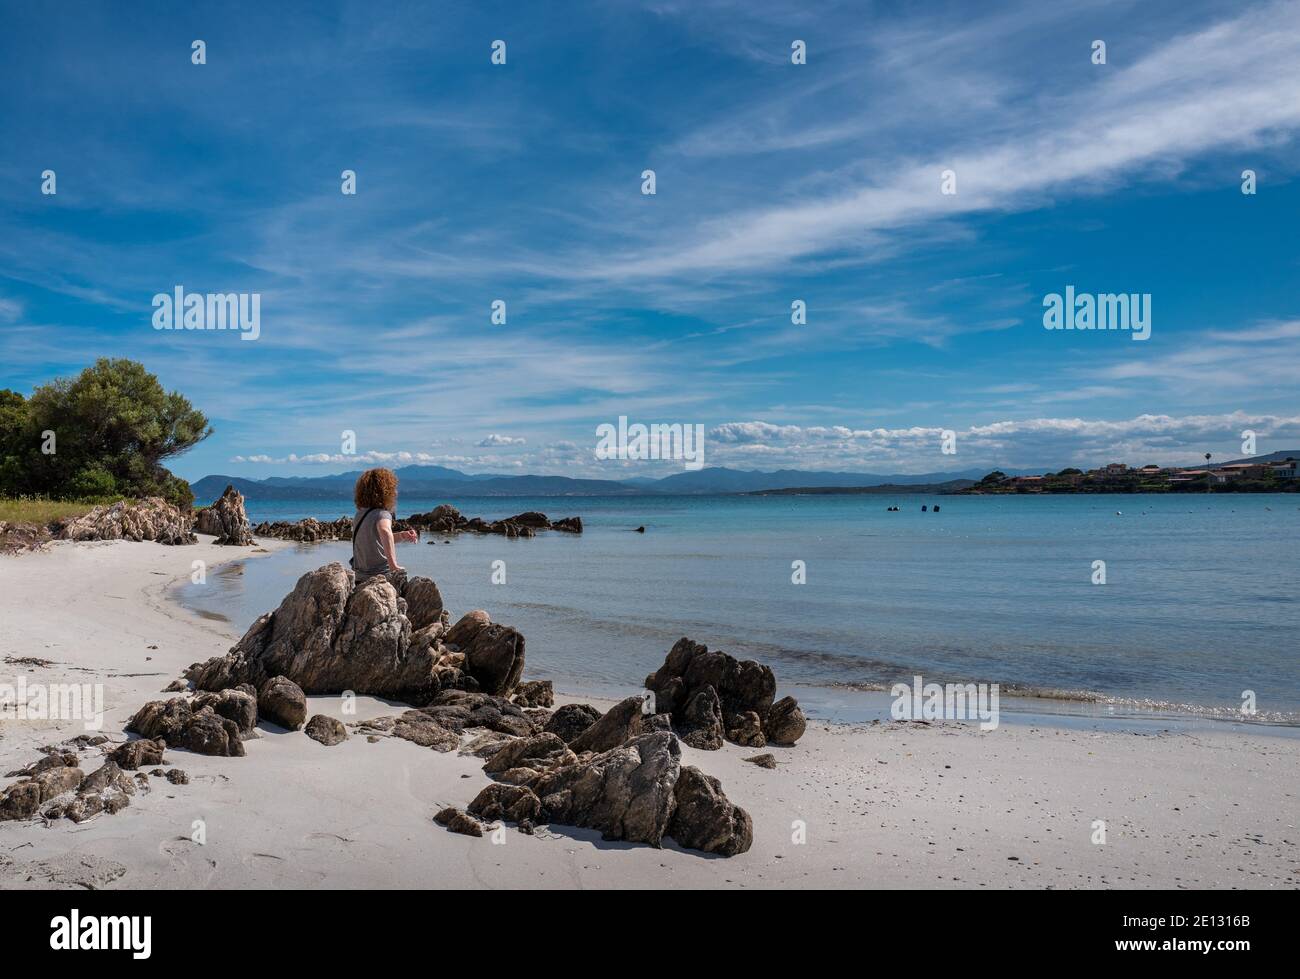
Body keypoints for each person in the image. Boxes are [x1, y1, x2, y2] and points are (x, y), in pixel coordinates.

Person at [351, 467, 418, 583]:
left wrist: (402, 535)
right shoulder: (383, 514)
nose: (396, 492)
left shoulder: (360, 515)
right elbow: (385, 532)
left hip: (360, 578)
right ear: (386, 491)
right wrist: (393, 566)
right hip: (381, 576)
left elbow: (377, 539)